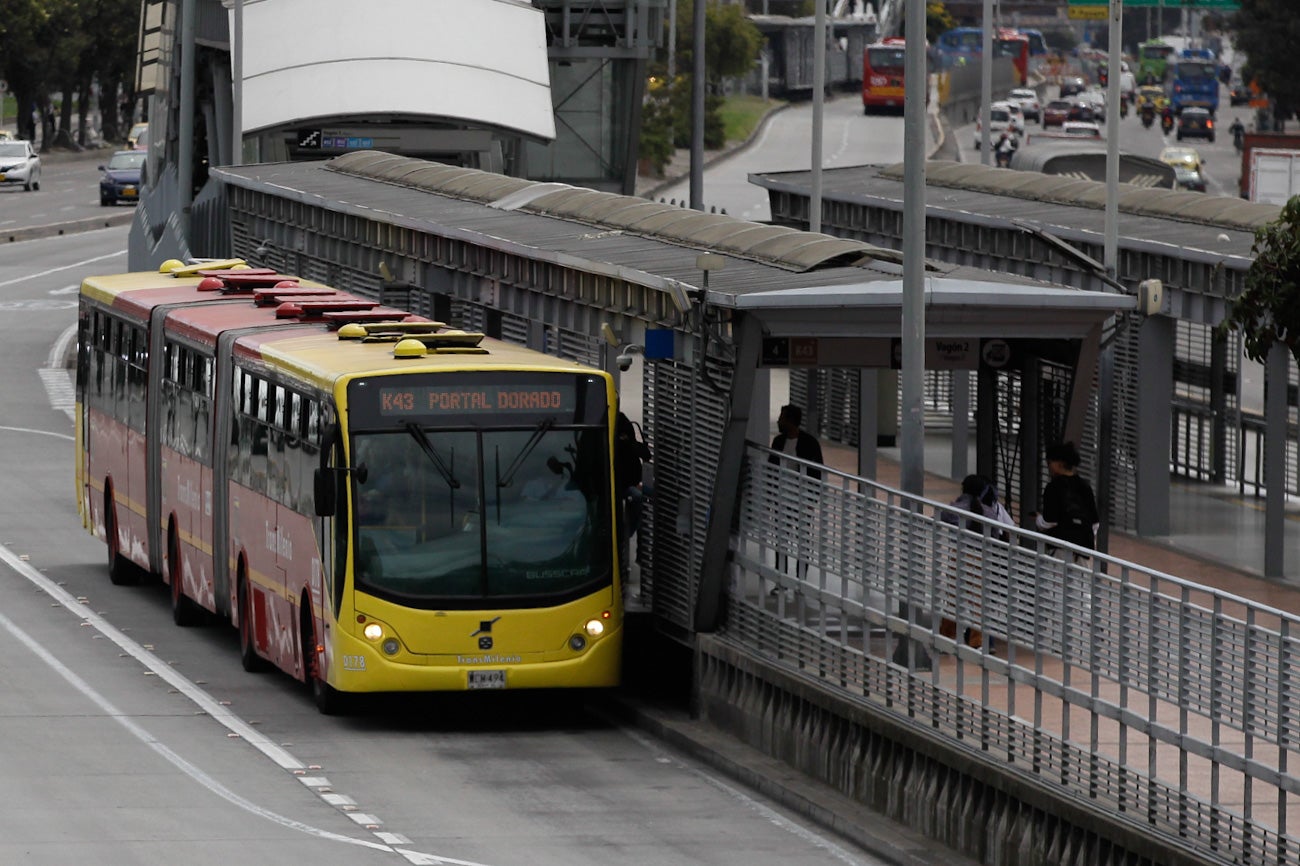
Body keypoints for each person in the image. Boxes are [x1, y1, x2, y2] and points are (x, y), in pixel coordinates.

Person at [769, 404, 824, 586]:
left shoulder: (809, 443)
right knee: (781, 539)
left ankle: (801, 579)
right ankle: (781, 579)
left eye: (782, 418)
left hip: (801, 499)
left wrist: (812, 499)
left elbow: (818, 472)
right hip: (782, 499)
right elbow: (771, 469)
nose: (778, 421)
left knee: (802, 540)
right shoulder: (778, 442)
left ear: (790, 421)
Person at [1035, 441, 1099, 561]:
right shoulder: (1085, 486)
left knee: (1056, 578)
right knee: (1080, 579)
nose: (1049, 466)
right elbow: (1095, 524)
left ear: (1059, 464)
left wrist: (1038, 519)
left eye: (1050, 462)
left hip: (1060, 547)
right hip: (1083, 549)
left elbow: (1049, 522)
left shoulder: (1053, 487)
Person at [614, 411, 652, 561]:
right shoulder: (612, 446)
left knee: (651, 499)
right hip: (623, 488)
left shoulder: (629, 445)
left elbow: (646, 455)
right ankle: (630, 533)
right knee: (639, 500)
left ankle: (642, 551)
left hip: (633, 484)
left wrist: (631, 442)